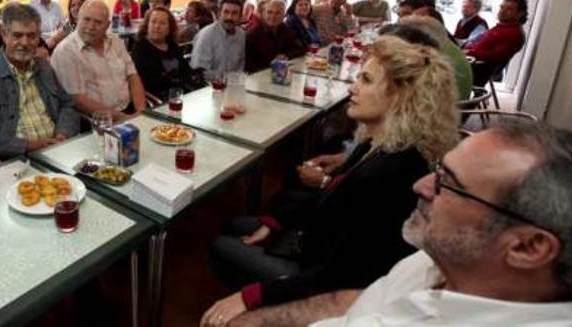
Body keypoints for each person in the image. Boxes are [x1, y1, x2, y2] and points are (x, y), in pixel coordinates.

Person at [202, 36, 459, 327]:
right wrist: (274, 222)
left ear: (400, 96)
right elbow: (331, 198)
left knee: (222, 246)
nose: (352, 87)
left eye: (365, 79)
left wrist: (251, 297)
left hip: (321, 274)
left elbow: (340, 276)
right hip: (317, 240)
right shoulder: (381, 143)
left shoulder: (390, 174)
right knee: (237, 223)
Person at [233, 121, 572, 326]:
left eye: (448, 184)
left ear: (528, 247)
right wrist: (256, 319)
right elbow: (365, 299)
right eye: (437, 171)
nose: (420, 186)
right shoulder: (437, 257)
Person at [0, 3, 78, 159]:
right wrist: (27, 146)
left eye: (32, 36)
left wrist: (63, 134)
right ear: (4, 35)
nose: (25, 43)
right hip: (16, 159)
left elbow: (67, 105)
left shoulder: (44, 67)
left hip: (58, 150)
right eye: (17, 35)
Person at [51, 0, 146, 121]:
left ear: (108, 25)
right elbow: (78, 100)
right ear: (77, 20)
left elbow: (132, 75)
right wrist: (125, 119)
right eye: (86, 19)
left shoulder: (115, 40)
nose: (91, 27)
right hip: (96, 121)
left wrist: (141, 112)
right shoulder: (65, 52)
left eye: (98, 22)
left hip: (129, 110)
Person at [131, 8, 199, 100]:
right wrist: (178, 80)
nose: (157, 26)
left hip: (180, 94)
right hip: (157, 98)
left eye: (163, 23)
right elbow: (150, 81)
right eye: (153, 22)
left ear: (169, 29)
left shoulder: (172, 45)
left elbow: (185, 69)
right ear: (147, 25)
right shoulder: (140, 47)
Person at [465, 0, 527, 86]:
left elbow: (492, 56)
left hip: (474, 69)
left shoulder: (513, 34)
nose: (502, 11)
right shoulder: (502, 27)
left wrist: (468, 52)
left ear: (520, 13)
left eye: (509, 9)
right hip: (469, 59)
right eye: (502, 7)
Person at [190, 0, 245, 79]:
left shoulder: (241, 34)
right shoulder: (207, 35)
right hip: (209, 86)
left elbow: (241, 64)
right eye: (226, 12)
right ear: (219, 14)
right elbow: (200, 71)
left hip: (234, 84)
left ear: (240, 17)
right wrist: (225, 78)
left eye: (234, 13)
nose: (229, 17)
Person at [245, 0, 304, 72]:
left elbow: (300, 49)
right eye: (269, 12)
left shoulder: (286, 29)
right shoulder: (253, 34)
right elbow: (248, 63)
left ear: (284, 15)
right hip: (260, 74)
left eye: (278, 13)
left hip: (281, 72)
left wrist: (286, 55)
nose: (273, 16)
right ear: (263, 14)